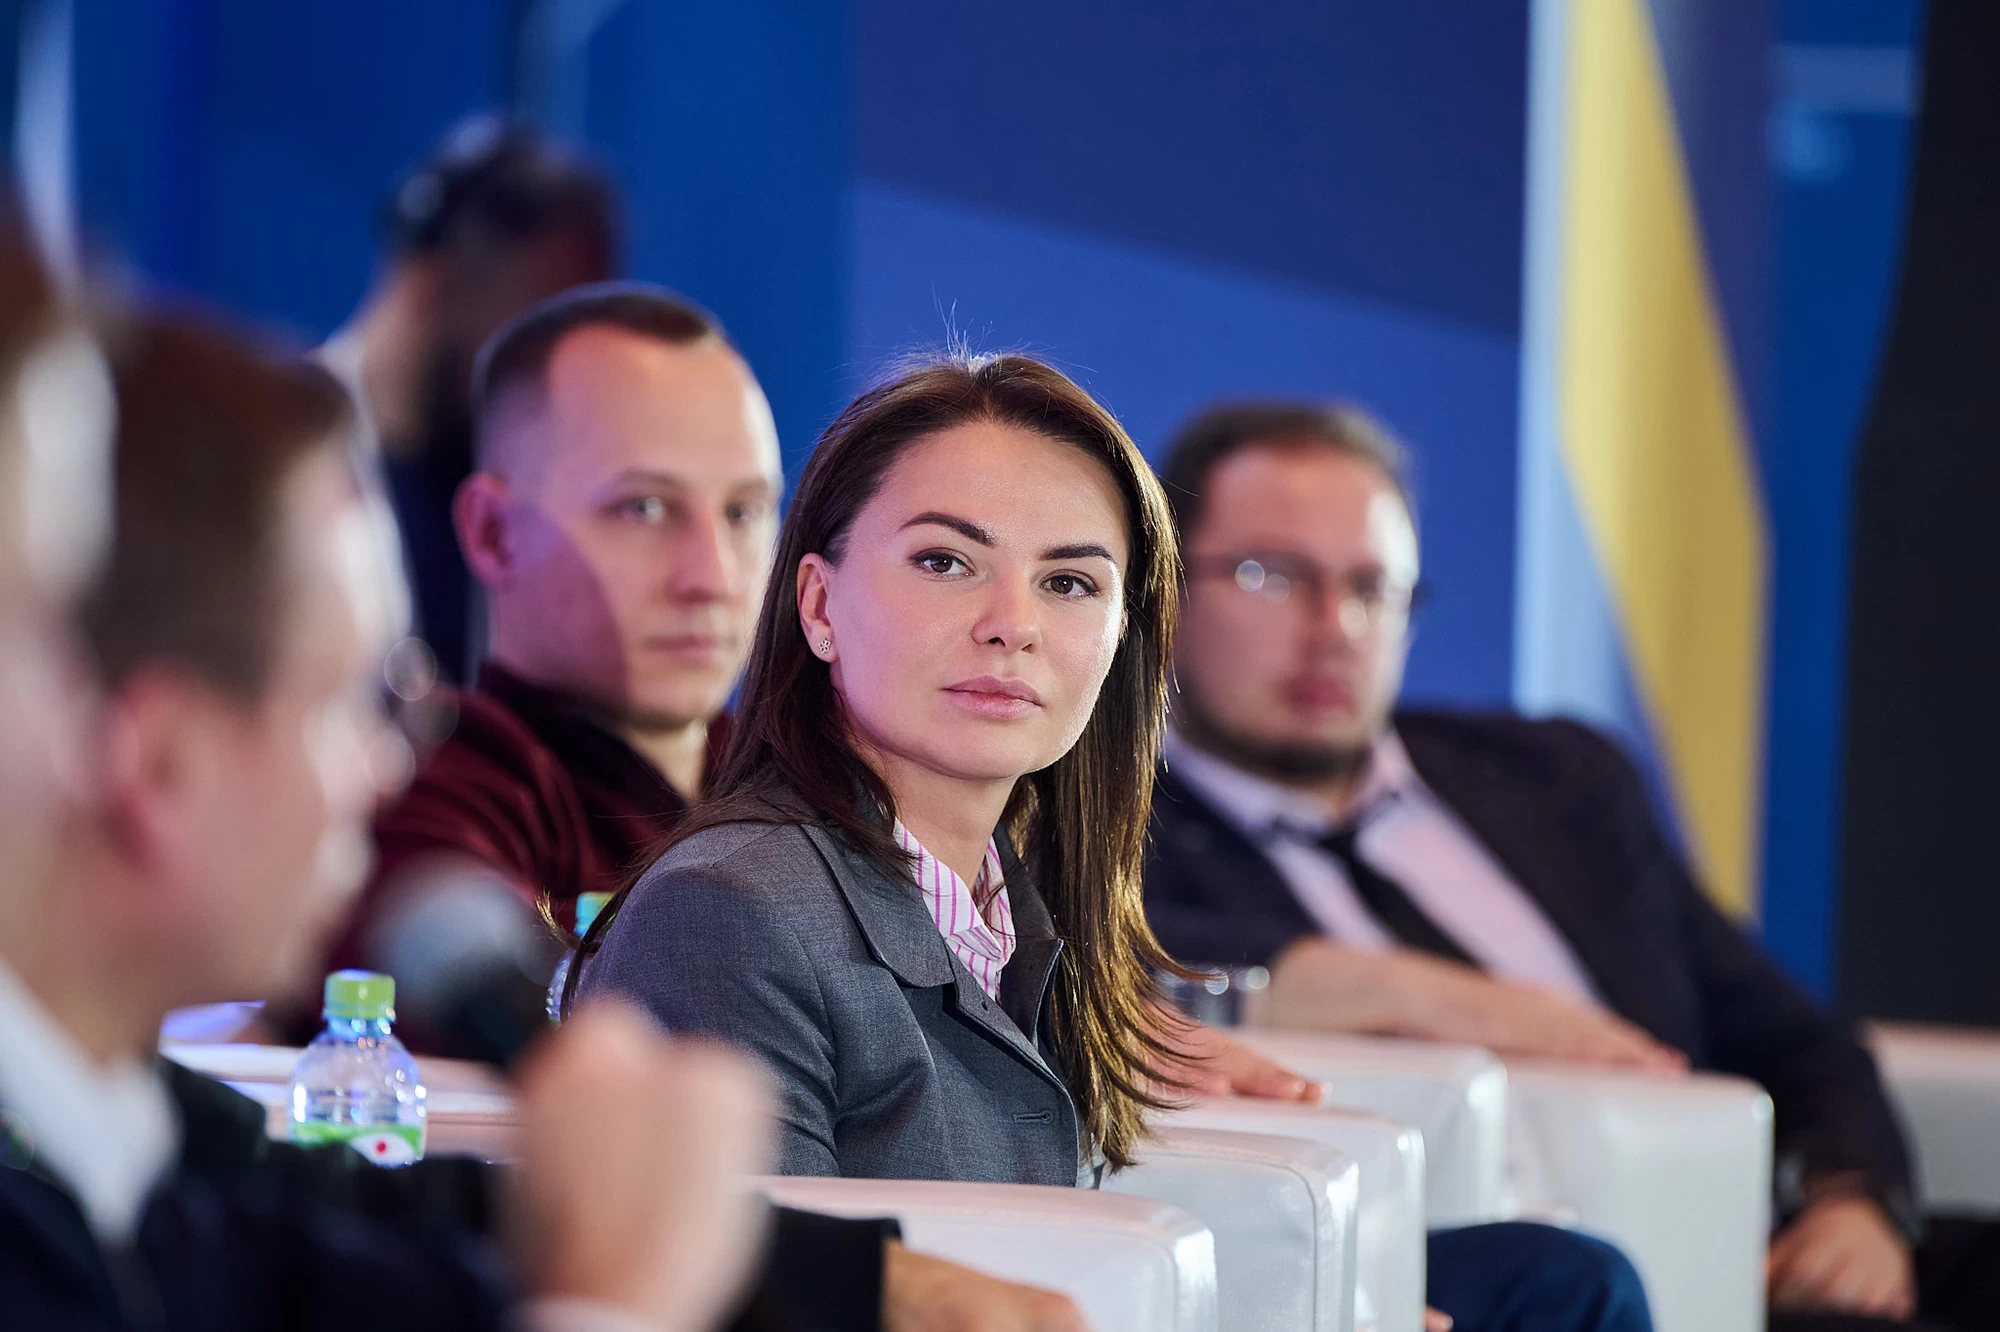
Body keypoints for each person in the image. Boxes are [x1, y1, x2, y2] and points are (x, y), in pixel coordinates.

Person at [577, 354, 1655, 1332]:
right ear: (818, 605)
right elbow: (747, 1298)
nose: (1013, 623)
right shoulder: (729, 911)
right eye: (946, 562)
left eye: (1069, 582)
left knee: (1554, 1283)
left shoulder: (1017, 899)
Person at [0, 247, 774, 1331]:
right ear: (161, 756)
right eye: (344, 703)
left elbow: (354, 1237)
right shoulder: (465, 802)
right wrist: (608, 1309)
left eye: (746, 512)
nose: (712, 576)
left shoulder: (135, 1146)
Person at [336, 281, 1313, 1103]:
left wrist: (1098, 1029)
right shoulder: (408, 794)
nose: (711, 574)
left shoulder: (862, 799)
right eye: (643, 508)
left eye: (744, 511)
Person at [1142, 400, 2000, 1332]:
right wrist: (1445, 1001)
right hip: (1530, 1277)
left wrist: (1854, 1200)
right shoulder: (1115, 831)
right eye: (1273, 576)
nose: (1335, 627)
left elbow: (1794, 1037)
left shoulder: (1556, 778)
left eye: (1373, 586)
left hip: (1772, 1252)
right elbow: (1153, 965)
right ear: (1166, 591)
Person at [320, 115, 617, 682]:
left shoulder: (519, 498)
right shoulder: (271, 467)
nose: (554, 380)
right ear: (431, 285)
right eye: (533, 335)